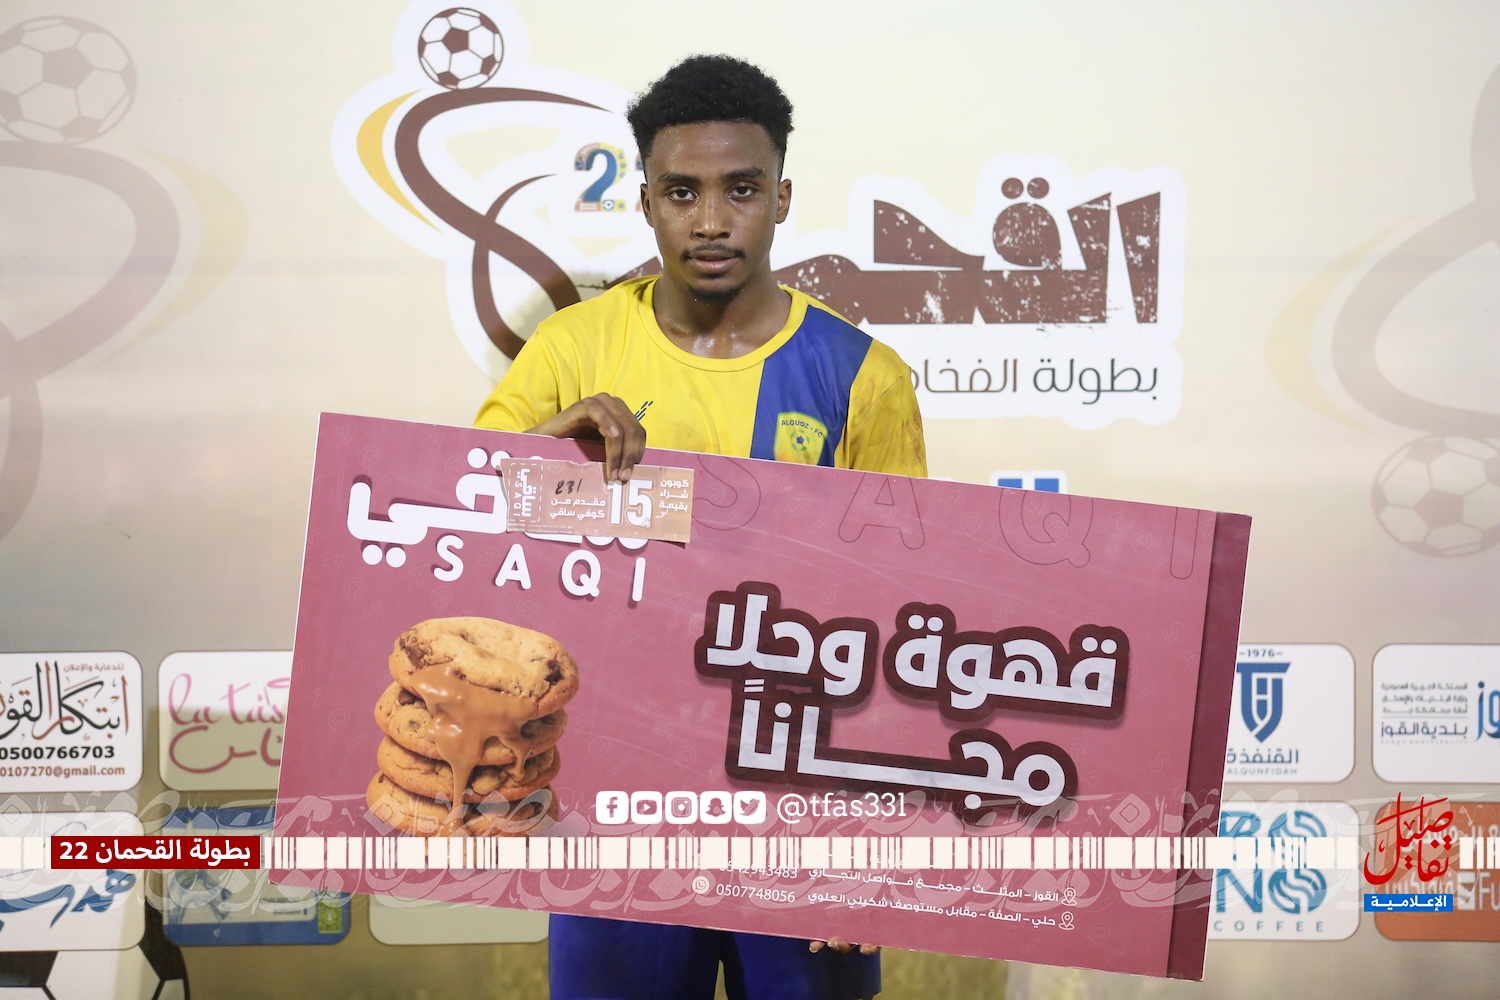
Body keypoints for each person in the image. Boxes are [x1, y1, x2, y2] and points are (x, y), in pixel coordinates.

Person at [475, 54, 925, 1000]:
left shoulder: (864, 376)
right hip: (614, 803)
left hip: (800, 808)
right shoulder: (571, 350)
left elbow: (901, 623)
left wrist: (872, 841)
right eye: (683, 192)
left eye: (741, 190)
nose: (712, 221)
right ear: (645, 202)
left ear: (783, 197)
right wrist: (539, 458)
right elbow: (467, 531)